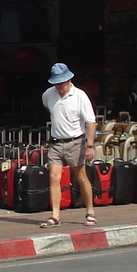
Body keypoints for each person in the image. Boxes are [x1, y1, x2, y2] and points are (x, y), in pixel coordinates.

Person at [40, 63, 97, 228]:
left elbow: (90, 121)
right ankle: (55, 215)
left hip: (75, 141)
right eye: (56, 84)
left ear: (69, 80)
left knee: (80, 176)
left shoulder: (80, 96)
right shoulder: (48, 95)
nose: (59, 87)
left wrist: (90, 145)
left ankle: (90, 211)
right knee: (54, 177)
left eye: (61, 83)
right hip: (56, 142)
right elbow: (48, 107)